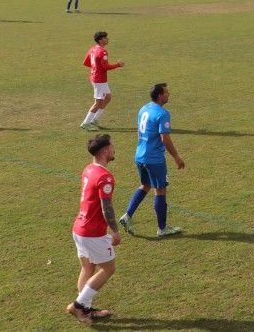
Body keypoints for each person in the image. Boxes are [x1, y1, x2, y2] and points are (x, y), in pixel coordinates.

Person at [118, 83, 185, 238]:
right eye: (167, 92)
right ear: (160, 95)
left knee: (146, 184)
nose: (169, 94)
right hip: (154, 159)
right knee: (160, 190)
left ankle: (127, 216)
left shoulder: (143, 109)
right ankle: (162, 228)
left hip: (140, 155)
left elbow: (139, 132)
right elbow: (165, 138)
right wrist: (176, 156)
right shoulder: (163, 113)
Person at [68, 133, 121, 324]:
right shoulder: (105, 177)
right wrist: (115, 231)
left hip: (79, 228)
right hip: (93, 232)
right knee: (109, 268)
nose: (114, 149)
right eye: (112, 146)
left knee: (87, 269)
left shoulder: (89, 169)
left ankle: (86, 311)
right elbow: (106, 207)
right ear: (105, 151)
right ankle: (78, 305)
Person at [80, 31, 124, 131]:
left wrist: (95, 68)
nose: (107, 39)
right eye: (105, 38)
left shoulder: (92, 49)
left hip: (97, 78)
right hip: (99, 80)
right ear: (100, 40)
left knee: (108, 97)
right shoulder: (103, 52)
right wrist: (118, 65)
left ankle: (95, 119)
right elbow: (106, 67)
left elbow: (86, 62)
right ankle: (85, 123)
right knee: (98, 103)